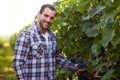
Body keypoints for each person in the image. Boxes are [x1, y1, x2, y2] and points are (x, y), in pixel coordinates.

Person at [13, 4, 79, 80]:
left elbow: (57, 56)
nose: (48, 20)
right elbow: (18, 63)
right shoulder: (26, 36)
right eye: (46, 16)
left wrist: (74, 68)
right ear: (39, 14)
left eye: (51, 18)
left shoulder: (53, 36)